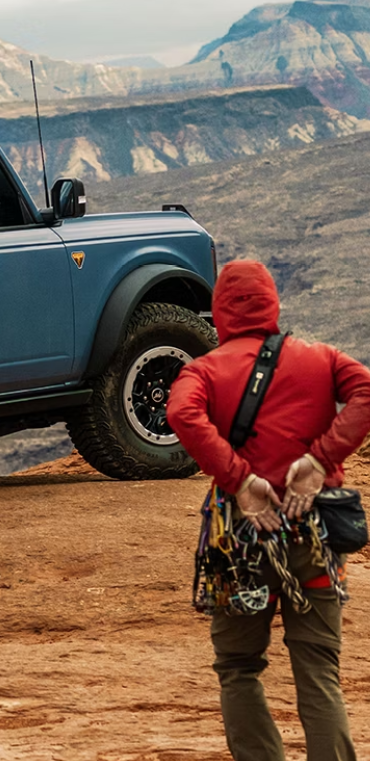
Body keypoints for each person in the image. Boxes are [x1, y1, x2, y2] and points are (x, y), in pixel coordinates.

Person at [168, 259, 370, 761]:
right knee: (319, 668)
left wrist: (239, 480)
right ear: (272, 303)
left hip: (237, 541)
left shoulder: (206, 371)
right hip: (316, 535)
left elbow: (180, 413)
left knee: (238, 666)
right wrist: (320, 460)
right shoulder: (320, 358)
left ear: (220, 313)